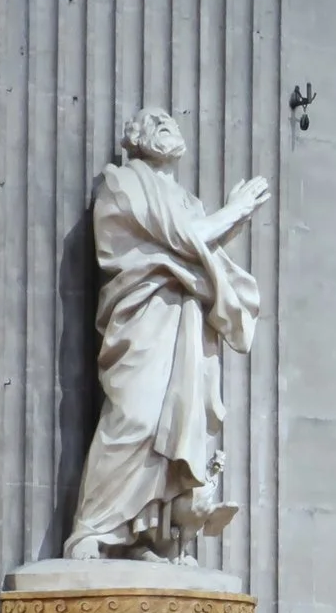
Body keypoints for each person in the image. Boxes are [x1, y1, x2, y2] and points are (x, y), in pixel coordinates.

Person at [66, 108, 273, 562]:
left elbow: (199, 247)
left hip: (183, 323)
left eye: (171, 121)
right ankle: (92, 528)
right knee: (135, 418)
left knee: (174, 424)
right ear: (135, 138)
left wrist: (230, 222)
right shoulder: (122, 184)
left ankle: (144, 533)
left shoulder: (187, 201)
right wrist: (233, 212)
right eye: (155, 121)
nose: (167, 126)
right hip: (142, 318)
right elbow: (186, 240)